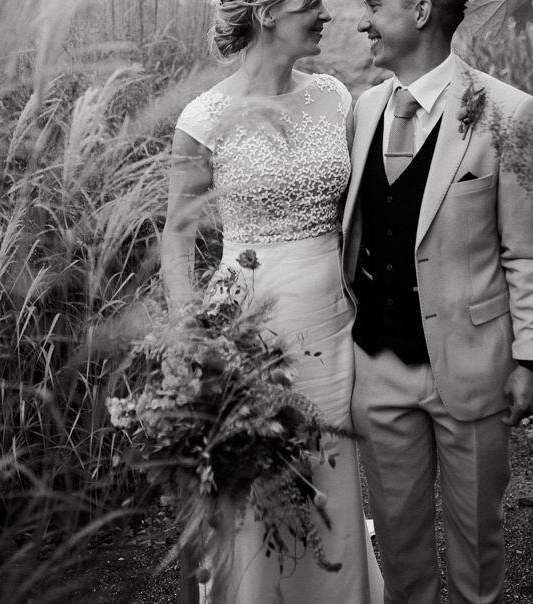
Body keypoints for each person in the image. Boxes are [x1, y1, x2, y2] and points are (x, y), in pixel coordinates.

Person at [161, 1, 383, 603]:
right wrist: (196, 334)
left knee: (331, 472)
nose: (325, 15)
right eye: (310, 4)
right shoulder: (205, 118)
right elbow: (176, 236)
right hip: (250, 330)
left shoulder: (336, 98)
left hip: (333, 324)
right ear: (265, 12)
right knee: (257, 484)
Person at [342, 1, 533, 602]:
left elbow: (529, 250)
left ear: (418, 11)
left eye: (375, 6)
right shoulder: (363, 110)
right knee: (401, 557)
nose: (364, 21)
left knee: (477, 556)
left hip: (473, 366)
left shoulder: (509, 113)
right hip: (378, 369)